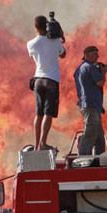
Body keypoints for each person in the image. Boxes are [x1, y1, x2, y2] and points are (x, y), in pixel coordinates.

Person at [27, 14, 67, 151]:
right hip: (51, 80)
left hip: (38, 79)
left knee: (38, 114)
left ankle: (37, 144)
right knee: (48, 113)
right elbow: (63, 54)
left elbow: (35, 58)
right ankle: (43, 142)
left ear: (35, 27)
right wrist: (61, 37)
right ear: (47, 25)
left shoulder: (31, 44)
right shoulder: (55, 41)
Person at [74, 45, 107, 156]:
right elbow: (100, 83)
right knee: (90, 132)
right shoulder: (90, 67)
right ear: (86, 55)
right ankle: (83, 156)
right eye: (94, 54)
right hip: (91, 104)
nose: (97, 56)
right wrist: (103, 73)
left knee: (99, 135)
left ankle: (100, 157)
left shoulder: (80, 68)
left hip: (89, 104)